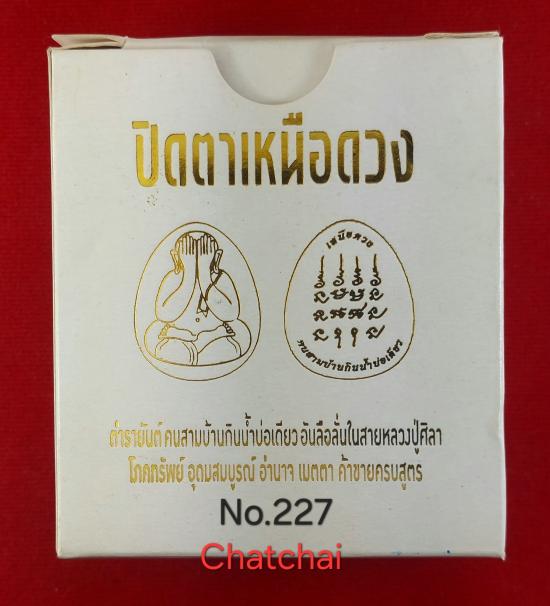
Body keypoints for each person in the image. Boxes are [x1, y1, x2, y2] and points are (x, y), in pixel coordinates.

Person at [144, 231, 251, 367]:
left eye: (204, 253)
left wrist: (204, 276)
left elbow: (231, 314)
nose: (196, 259)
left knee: (228, 350)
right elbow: (163, 314)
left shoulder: (221, 278)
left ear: (217, 256)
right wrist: (189, 275)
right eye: (189, 254)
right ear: (176, 257)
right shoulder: (173, 278)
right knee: (168, 351)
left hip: (215, 335)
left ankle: (202, 355)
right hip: (179, 336)